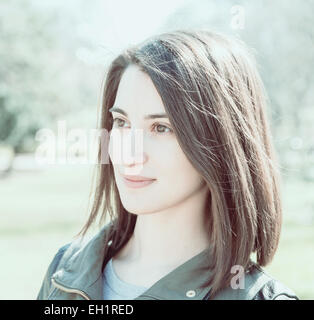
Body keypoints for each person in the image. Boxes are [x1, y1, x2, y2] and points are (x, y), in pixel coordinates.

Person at [37, 30, 299, 300]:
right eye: (122, 123)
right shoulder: (65, 271)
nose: (130, 153)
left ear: (222, 143)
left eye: (161, 128)